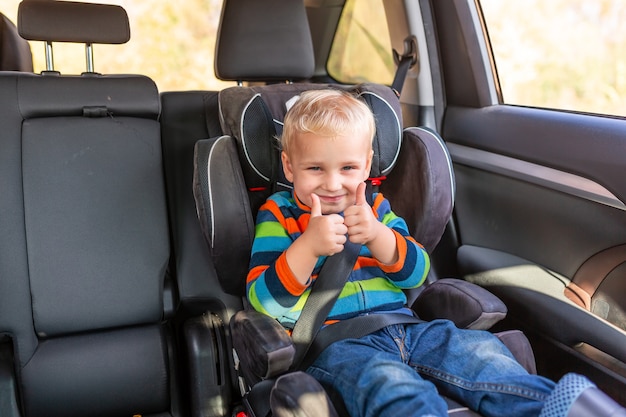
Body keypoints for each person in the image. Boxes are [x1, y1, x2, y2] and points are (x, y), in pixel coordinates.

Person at [246, 88, 623, 417]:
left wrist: (379, 236)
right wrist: (308, 247)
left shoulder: (376, 209)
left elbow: (415, 272)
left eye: (348, 167)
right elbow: (264, 303)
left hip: (410, 328)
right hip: (337, 345)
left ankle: (559, 409)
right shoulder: (279, 214)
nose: (332, 183)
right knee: (392, 386)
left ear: (366, 166)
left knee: (481, 356)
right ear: (289, 167)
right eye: (315, 168)